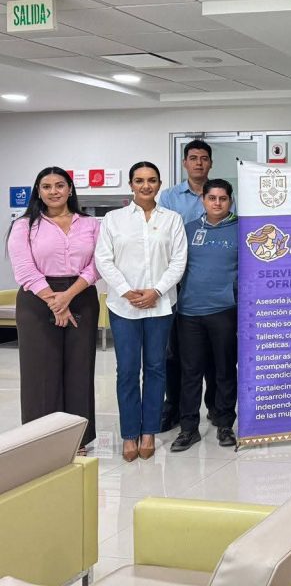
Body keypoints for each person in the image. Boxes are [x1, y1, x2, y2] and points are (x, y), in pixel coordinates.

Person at [94, 162, 187, 462]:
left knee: (156, 368)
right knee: (127, 370)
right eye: (139, 180)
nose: (146, 185)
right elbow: (103, 259)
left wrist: (156, 291)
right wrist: (125, 290)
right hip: (124, 306)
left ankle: (149, 431)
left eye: (152, 180)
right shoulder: (114, 219)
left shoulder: (172, 219)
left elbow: (179, 261)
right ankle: (129, 433)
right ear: (131, 184)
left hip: (160, 306)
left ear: (159, 184)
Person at [6, 167, 101, 453]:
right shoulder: (24, 226)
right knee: (40, 372)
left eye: (60, 185)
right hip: (37, 299)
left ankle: (76, 438)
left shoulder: (91, 224)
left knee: (79, 369)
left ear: (70, 189)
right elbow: (24, 269)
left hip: (81, 295)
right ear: (38, 191)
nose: (53, 191)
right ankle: (42, 440)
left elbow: (97, 264)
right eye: (46, 186)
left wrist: (67, 297)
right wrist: (54, 302)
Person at [171, 179, 239, 452]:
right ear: (203, 200)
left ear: (230, 201)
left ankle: (224, 424)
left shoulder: (242, 229)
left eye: (223, 198)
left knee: (225, 370)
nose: (217, 203)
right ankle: (188, 428)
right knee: (190, 372)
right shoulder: (187, 229)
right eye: (212, 198)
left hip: (225, 310)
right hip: (189, 311)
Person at [158, 139, 218, 433]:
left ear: (210, 163)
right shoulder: (169, 197)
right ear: (184, 163)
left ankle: (216, 407)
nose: (198, 163)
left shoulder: (220, 194)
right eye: (193, 158)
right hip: (177, 282)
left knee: (213, 351)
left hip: (212, 281)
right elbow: (163, 236)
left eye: (203, 158)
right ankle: (175, 407)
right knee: (175, 351)